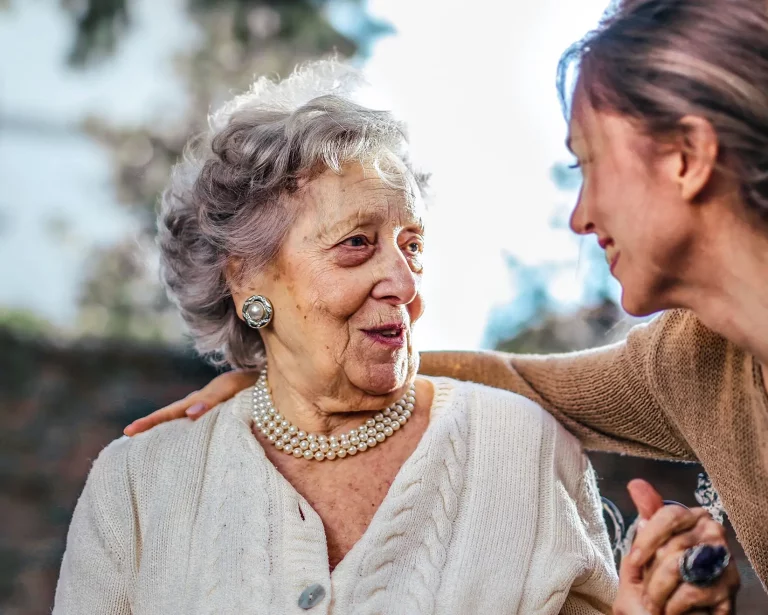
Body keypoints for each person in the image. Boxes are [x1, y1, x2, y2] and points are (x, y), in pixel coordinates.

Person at [129, 0, 767, 609]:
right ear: (246, 279)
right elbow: (519, 381)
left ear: (686, 157)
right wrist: (291, 366)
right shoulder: (694, 364)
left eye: (589, 164)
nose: (580, 215)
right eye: (356, 244)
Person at [54, 61, 630, 614]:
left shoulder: (524, 451)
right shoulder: (138, 483)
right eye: (357, 243)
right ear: (246, 277)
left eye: (413, 245)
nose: (405, 284)